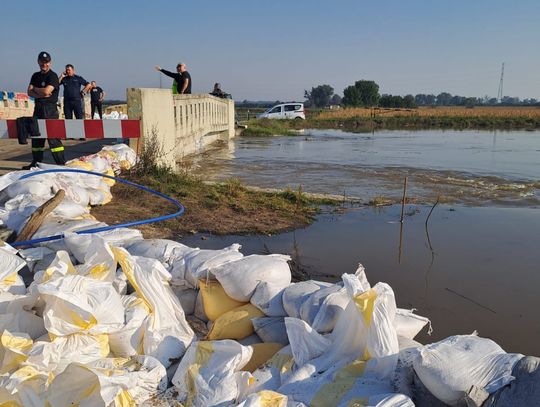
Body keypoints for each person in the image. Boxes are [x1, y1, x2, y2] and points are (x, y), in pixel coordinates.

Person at [24, 51, 65, 168]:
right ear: (38, 62)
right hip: (38, 109)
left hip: (50, 110)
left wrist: (36, 90)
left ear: (50, 63)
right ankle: (36, 163)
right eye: (42, 61)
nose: (44, 64)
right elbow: (29, 91)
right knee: (37, 139)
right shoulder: (35, 76)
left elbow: (47, 91)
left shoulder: (53, 76)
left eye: (46, 62)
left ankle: (61, 164)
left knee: (54, 140)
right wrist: (40, 92)